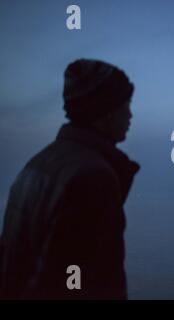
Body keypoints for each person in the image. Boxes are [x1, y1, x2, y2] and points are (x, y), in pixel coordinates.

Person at [0, 59, 139, 299]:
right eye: (126, 105)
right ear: (104, 112)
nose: (130, 115)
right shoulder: (91, 178)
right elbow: (80, 282)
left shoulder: (36, 166)